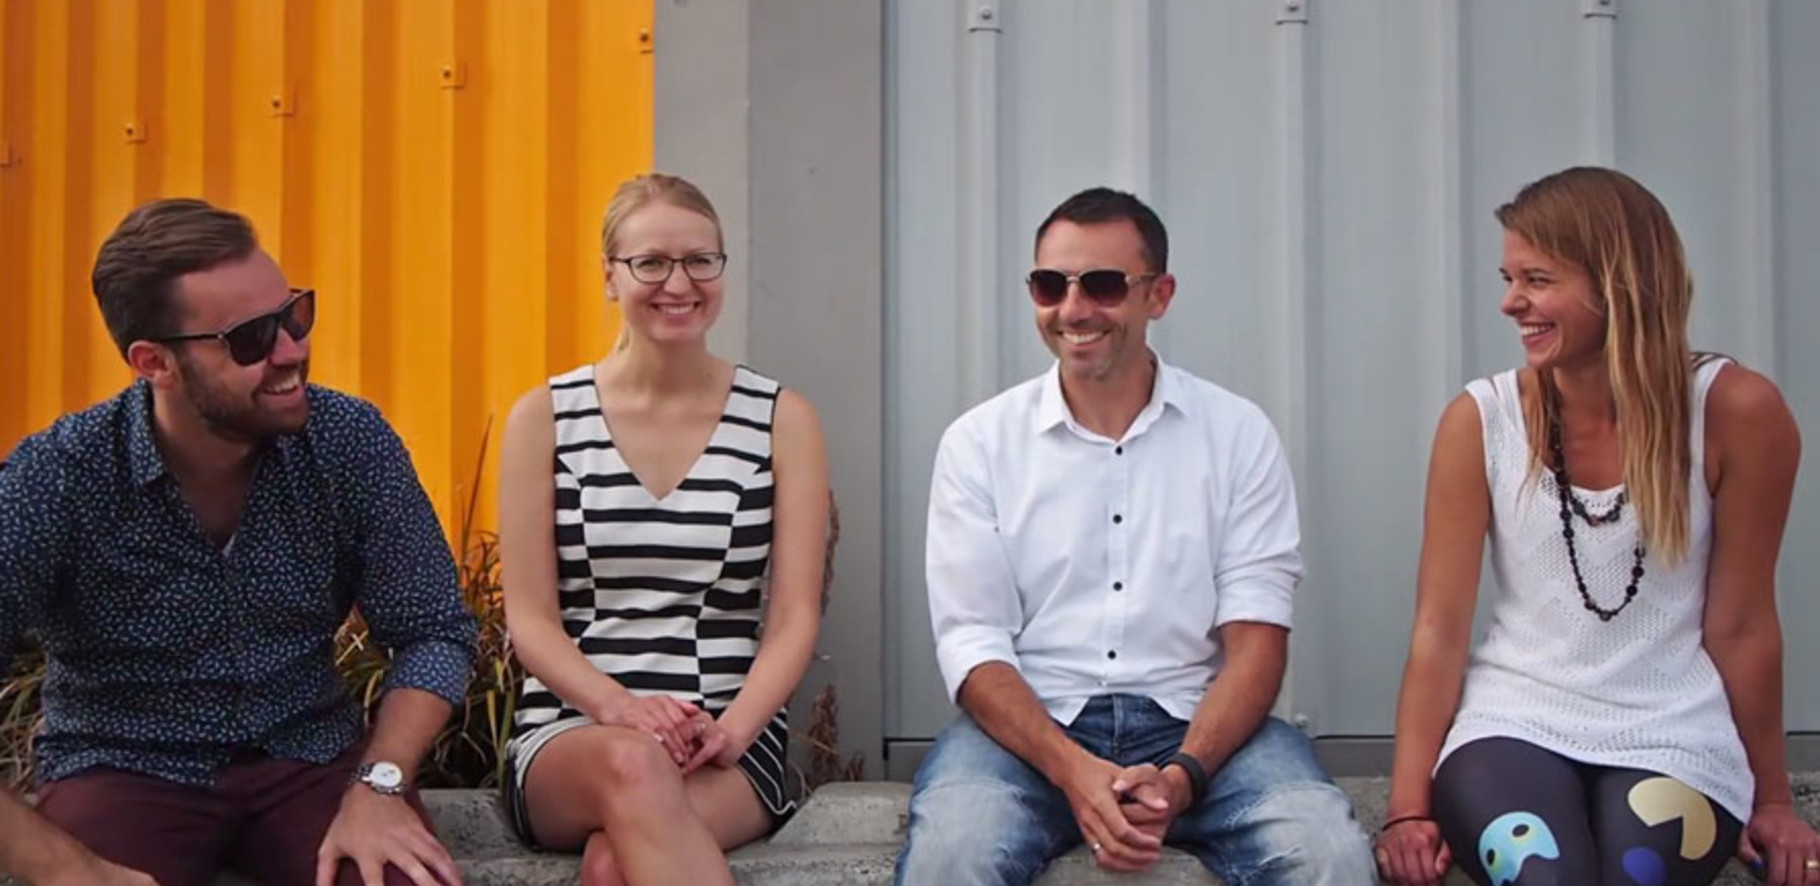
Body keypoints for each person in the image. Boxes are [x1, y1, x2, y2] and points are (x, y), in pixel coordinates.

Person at [894, 187, 1375, 886]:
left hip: (1200, 729)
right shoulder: (980, 444)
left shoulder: (1237, 435)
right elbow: (973, 644)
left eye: (1105, 284)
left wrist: (1184, 775)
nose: (1074, 309)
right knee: (952, 855)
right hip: (1034, 727)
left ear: (1160, 294)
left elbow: (1258, 642)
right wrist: (1073, 769)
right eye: (1050, 284)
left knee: (1327, 855)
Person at [0, 198, 479, 886]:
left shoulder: (347, 441)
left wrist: (379, 783)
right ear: (154, 363)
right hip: (127, 768)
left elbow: (433, 629)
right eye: (253, 338)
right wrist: (71, 870)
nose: (292, 351)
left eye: (294, 314)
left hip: (309, 762)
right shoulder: (59, 478)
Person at [1377, 166, 1820, 886]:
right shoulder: (1482, 421)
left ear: (1617, 284)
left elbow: (1741, 625)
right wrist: (1404, 808)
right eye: (1509, 276)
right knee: (1546, 876)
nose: (1510, 302)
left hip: (1675, 733)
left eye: (1537, 279)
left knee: (1635, 874)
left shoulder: (1737, 413)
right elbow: (1439, 628)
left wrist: (1774, 798)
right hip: (1513, 724)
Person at [497, 172, 829, 886]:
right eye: (651, 262)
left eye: (699, 260)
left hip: (729, 742)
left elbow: (795, 615)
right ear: (611, 276)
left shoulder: (781, 420)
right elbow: (529, 619)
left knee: (616, 864)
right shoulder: (545, 418)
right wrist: (621, 710)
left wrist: (733, 730)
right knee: (632, 760)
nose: (679, 283)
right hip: (573, 736)